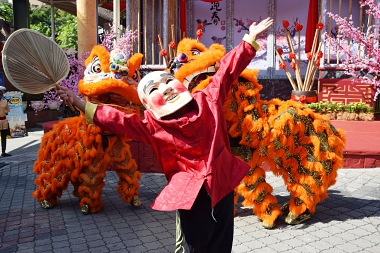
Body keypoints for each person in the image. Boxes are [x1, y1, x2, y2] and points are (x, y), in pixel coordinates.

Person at [58, 17, 273, 253]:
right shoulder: (152, 124)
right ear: (147, 104)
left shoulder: (207, 101)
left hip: (221, 184)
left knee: (222, 245)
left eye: (168, 81)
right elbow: (117, 120)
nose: (166, 87)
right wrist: (79, 102)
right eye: (153, 89)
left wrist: (248, 39)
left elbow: (226, 72)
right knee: (194, 246)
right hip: (191, 195)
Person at [0, 87, 11, 157]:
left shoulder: (5, 102)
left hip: (3, 121)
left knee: (4, 137)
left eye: (0, 94)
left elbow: (7, 110)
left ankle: (3, 152)